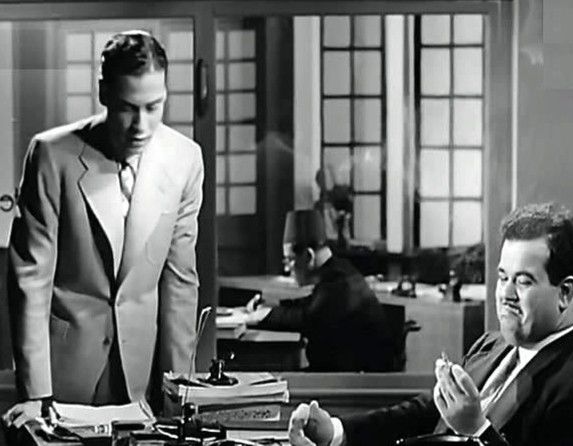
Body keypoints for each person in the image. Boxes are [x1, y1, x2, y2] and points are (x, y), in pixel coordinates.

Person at [287, 202, 573, 446]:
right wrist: (335, 431)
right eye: (502, 277)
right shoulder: (491, 346)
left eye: (522, 281)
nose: (505, 294)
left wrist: (476, 429)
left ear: (565, 293)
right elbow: (424, 411)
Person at [2, 31, 203, 428]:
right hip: (62, 377)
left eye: (154, 107)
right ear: (104, 92)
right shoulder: (51, 155)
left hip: (142, 376)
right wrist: (36, 394)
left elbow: (180, 283)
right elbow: (30, 280)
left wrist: (179, 391)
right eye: (129, 108)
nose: (141, 125)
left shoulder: (185, 159)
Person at [244, 209, 395, 372]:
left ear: (309, 256)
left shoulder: (338, 283)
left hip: (356, 379)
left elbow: (309, 318)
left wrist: (265, 315)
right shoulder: (339, 270)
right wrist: (275, 304)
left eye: (289, 260)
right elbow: (312, 303)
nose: (287, 268)